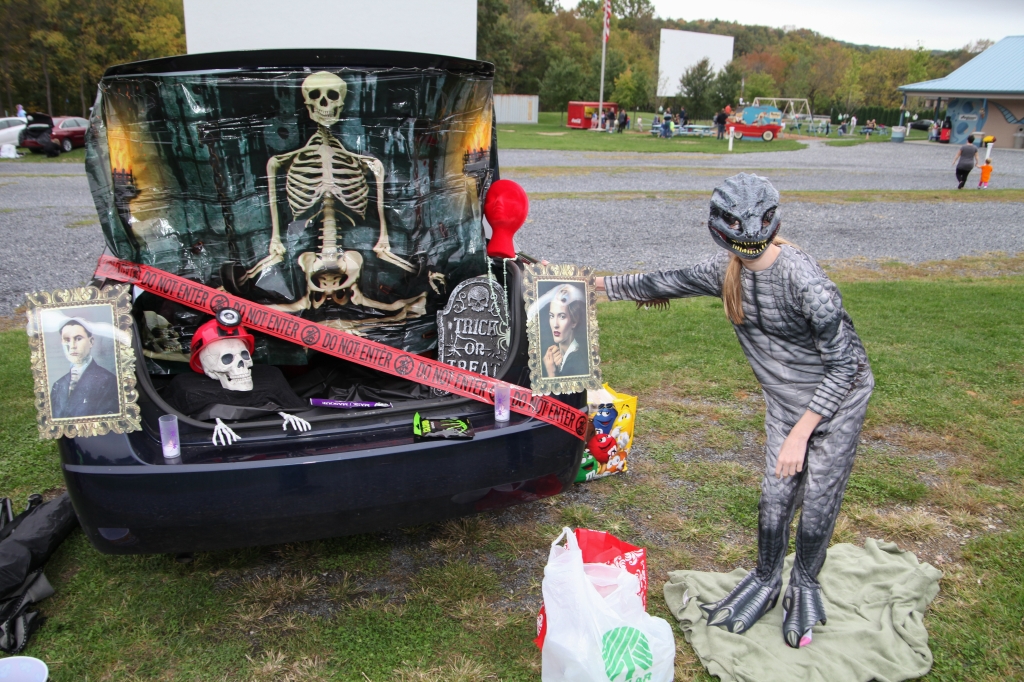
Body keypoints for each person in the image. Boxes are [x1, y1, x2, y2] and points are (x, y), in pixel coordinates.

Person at [596, 173, 873, 649]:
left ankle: (804, 584)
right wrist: (587, 284)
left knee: (818, 504)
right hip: (788, 403)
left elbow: (845, 365)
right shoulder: (725, 273)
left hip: (836, 403)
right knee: (773, 504)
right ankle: (766, 579)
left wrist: (802, 433)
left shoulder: (807, 283)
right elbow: (659, 280)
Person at [50, 318, 120, 419]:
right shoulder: (58, 385)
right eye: (67, 340)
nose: (72, 346)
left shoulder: (109, 381)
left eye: (78, 339)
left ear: (91, 342)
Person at [542, 284, 588, 378]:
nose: (555, 324)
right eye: (552, 316)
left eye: (562, 316)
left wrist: (551, 372)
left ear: (574, 321)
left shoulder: (575, 361)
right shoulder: (563, 356)